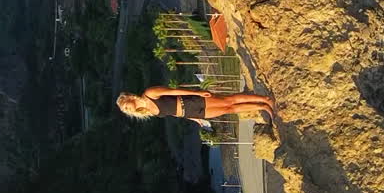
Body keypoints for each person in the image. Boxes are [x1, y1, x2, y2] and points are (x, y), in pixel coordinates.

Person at [116, 86, 275, 122]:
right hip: (191, 113)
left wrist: (197, 93)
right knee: (230, 109)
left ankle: (265, 99)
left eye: (126, 106)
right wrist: (194, 119)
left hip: (191, 101)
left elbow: (173, 91)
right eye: (125, 110)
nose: (127, 109)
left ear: (129, 98)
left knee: (229, 100)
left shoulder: (150, 94)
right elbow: (173, 113)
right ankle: (263, 107)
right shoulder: (147, 111)